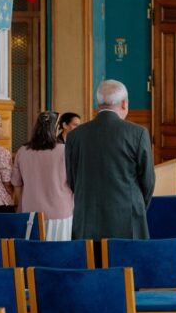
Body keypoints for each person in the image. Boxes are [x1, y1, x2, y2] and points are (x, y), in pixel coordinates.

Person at [65, 80, 156, 242]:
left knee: (91, 266)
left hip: (87, 220)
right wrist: (136, 207)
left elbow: (73, 180)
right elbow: (147, 181)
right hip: (127, 220)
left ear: (98, 103)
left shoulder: (75, 136)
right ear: (124, 103)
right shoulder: (138, 133)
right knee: (127, 266)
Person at [12, 112, 74, 241]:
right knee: (59, 253)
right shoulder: (65, 150)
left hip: (30, 211)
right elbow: (74, 181)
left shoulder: (22, 151)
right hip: (60, 210)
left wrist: (20, 207)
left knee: (33, 254)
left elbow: (17, 185)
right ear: (56, 129)